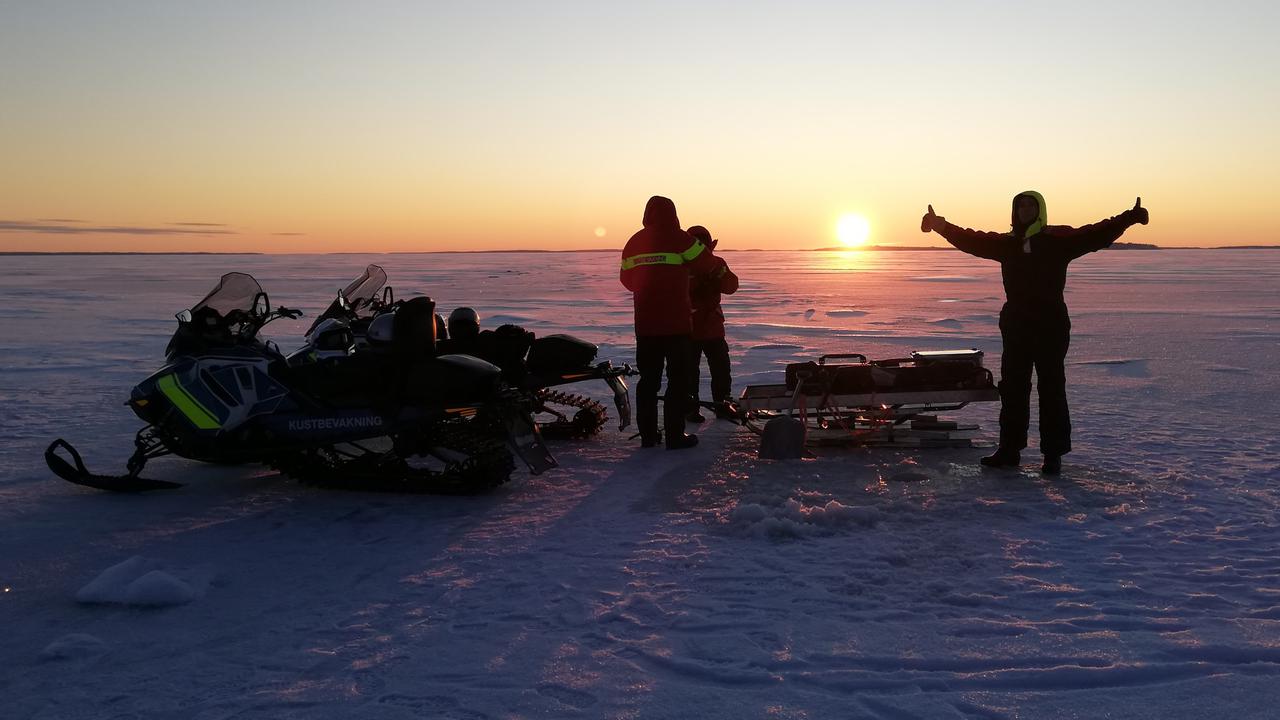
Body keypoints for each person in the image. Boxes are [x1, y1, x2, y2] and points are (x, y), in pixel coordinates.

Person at [921, 192, 1149, 474]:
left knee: (1052, 389)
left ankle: (1053, 455)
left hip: (1050, 325)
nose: (1025, 209)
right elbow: (973, 240)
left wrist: (1129, 217)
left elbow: (1094, 234)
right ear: (1015, 211)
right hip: (1016, 325)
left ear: (1040, 209)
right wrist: (940, 225)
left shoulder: (1057, 241)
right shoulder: (1007, 243)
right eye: (1020, 205)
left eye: (1031, 204)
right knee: (1014, 389)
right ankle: (1009, 450)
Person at [620, 196, 718, 449]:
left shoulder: (634, 242)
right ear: (673, 214)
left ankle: (649, 436)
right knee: (678, 380)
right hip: (677, 326)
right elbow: (707, 263)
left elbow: (627, 280)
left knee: (648, 381)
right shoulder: (680, 239)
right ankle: (675, 436)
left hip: (646, 326)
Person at [685, 225, 739, 422]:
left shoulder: (716, 263)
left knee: (721, 370)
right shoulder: (682, 264)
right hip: (688, 329)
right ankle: (690, 409)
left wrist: (717, 278)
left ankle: (722, 406)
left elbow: (732, 285)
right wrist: (696, 286)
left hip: (713, 328)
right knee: (689, 372)